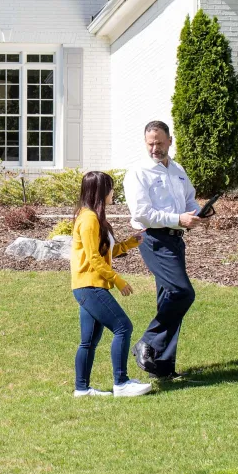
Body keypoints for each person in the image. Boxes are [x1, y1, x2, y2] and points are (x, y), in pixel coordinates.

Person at [123, 121, 202, 379]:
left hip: (176, 239)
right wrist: (178, 219)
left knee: (169, 299)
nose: (154, 148)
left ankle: (162, 366)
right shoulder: (139, 172)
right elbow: (142, 214)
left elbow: (189, 199)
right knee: (182, 293)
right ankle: (147, 342)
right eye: (150, 143)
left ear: (170, 140)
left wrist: (198, 213)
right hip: (154, 239)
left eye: (159, 142)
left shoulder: (177, 170)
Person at [71, 170, 152, 398]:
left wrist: (129, 243)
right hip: (90, 286)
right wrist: (117, 280)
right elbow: (93, 258)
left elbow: (104, 252)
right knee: (123, 327)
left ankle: (82, 389)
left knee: (88, 341)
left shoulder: (90, 216)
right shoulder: (88, 219)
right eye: (110, 188)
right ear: (100, 191)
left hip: (86, 286)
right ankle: (121, 383)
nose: (112, 192)